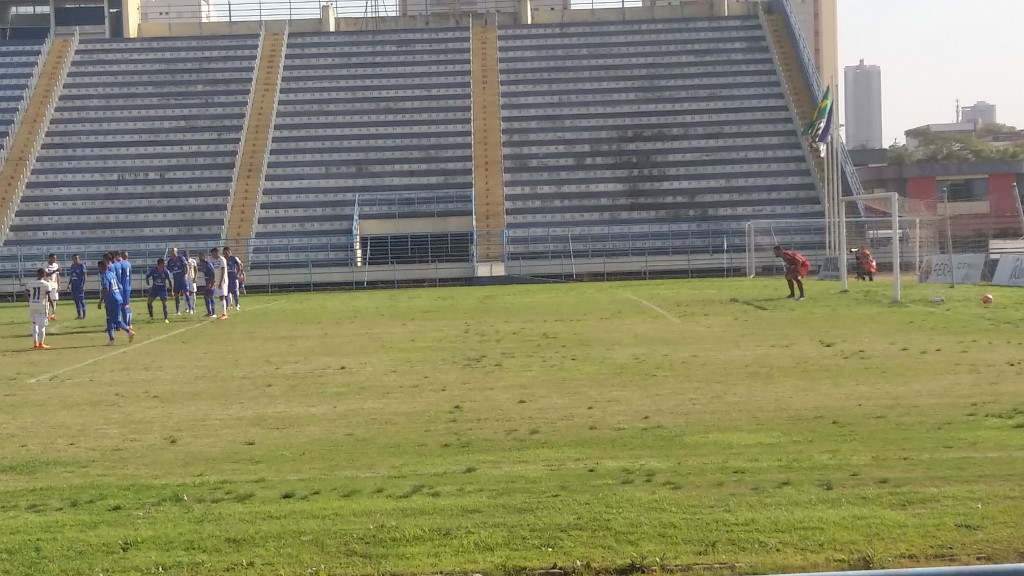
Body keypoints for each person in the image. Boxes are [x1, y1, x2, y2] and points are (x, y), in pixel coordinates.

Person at [99, 260, 135, 345]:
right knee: (111, 319)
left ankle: (129, 331)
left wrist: (101, 301)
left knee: (114, 320)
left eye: (99, 268)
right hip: (118, 298)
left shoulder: (104, 276)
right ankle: (111, 340)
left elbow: (106, 289)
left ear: (102, 267)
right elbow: (119, 286)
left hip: (112, 300)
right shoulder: (112, 274)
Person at [27, 268, 54, 349]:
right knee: (42, 326)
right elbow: (48, 296)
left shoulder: (31, 283)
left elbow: (25, 292)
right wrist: (53, 306)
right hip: (41, 306)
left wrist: (29, 300)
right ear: (44, 274)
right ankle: (41, 343)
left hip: (32, 305)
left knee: (34, 324)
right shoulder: (46, 284)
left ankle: (35, 342)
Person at [145, 258, 172, 323]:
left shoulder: (166, 271)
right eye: (164, 263)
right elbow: (147, 277)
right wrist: (148, 286)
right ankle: (151, 317)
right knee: (149, 302)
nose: (165, 264)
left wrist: (172, 291)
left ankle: (166, 318)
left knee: (164, 303)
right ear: (160, 264)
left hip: (162, 289)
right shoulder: (153, 270)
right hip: (154, 289)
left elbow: (169, 280)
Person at [167, 247, 188, 315]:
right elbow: (168, 269)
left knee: (186, 292)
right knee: (176, 294)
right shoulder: (170, 261)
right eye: (171, 251)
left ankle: (190, 308)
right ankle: (178, 310)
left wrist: (185, 274)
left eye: (174, 251)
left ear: (176, 251)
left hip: (182, 278)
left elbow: (186, 266)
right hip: (176, 279)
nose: (172, 252)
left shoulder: (181, 258)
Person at [67, 254, 87, 320]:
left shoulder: (81, 266)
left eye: (76, 258)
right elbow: (71, 276)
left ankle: (84, 315)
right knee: (76, 300)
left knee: (81, 300)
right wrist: (69, 284)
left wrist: (84, 285)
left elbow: (85, 276)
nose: (74, 260)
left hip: (79, 285)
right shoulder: (72, 266)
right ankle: (79, 315)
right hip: (74, 286)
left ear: (78, 259)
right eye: (73, 259)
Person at [223, 246, 243, 311]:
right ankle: (227, 306)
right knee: (226, 292)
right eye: (224, 253)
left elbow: (240, 266)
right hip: (226, 277)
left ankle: (237, 305)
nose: (226, 254)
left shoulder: (234, 258)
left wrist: (238, 274)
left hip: (233, 277)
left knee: (235, 291)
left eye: (227, 253)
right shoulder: (223, 259)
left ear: (230, 252)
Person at [199, 251, 217, 317]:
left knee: (211, 297)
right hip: (207, 283)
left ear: (204, 256)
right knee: (206, 297)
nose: (200, 258)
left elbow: (213, 273)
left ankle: (214, 312)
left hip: (210, 282)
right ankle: (209, 312)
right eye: (199, 256)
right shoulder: (202, 264)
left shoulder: (208, 264)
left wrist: (212, 283)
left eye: (201, 256)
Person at [119, 251, 134, 328]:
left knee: (123, 306)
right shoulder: (129, 264)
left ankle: (126, 324)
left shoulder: (121, 264)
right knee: (128, 305)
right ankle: (130, 323)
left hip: (123, 287)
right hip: (128, 286)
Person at [44, 253, 60, 320]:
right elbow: (46, 274)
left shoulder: (56, 265)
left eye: (55, 258)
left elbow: (57, 276)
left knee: (54, 300)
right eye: (54, 258)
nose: (55, 259)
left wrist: (59, 285)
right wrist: (55, 271)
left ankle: (52, 315)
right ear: (50, 258)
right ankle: (46, 315)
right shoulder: (45, 265)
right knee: (47, 300)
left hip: (54, 285)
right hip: (48, 284)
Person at [184, 250, 198, 315]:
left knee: (193, 293)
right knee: (186, 293)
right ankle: (186, 307)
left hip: (192, 278)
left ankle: (193, 307)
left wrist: (195, 277)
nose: (185, 256)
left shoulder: (193, 261)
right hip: (186, 279)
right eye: (184, 255)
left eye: (186, 254)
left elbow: (196, 270)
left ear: (188, 254)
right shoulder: (183, 261)